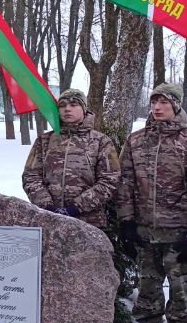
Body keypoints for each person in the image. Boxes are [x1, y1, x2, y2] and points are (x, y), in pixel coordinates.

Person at [116, 83, 187, 323]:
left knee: (181, 290)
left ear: (176, 105)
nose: (157, 108)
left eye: (164, 103)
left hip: (178, 232)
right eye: (153, 102)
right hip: (145, 230)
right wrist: (127, 223)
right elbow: (125, 183)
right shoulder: (136, 141)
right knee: (148, 287)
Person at [20, 89, 120, 226]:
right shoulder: (44, 141)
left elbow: (110, 180)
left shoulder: (101, 141)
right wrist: (47, 207)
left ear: (84, 108)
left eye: (73, 104)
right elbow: (30, 176)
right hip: (49, 220)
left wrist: (75, 208)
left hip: (89, 222)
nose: (67, 109)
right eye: (62, 105)